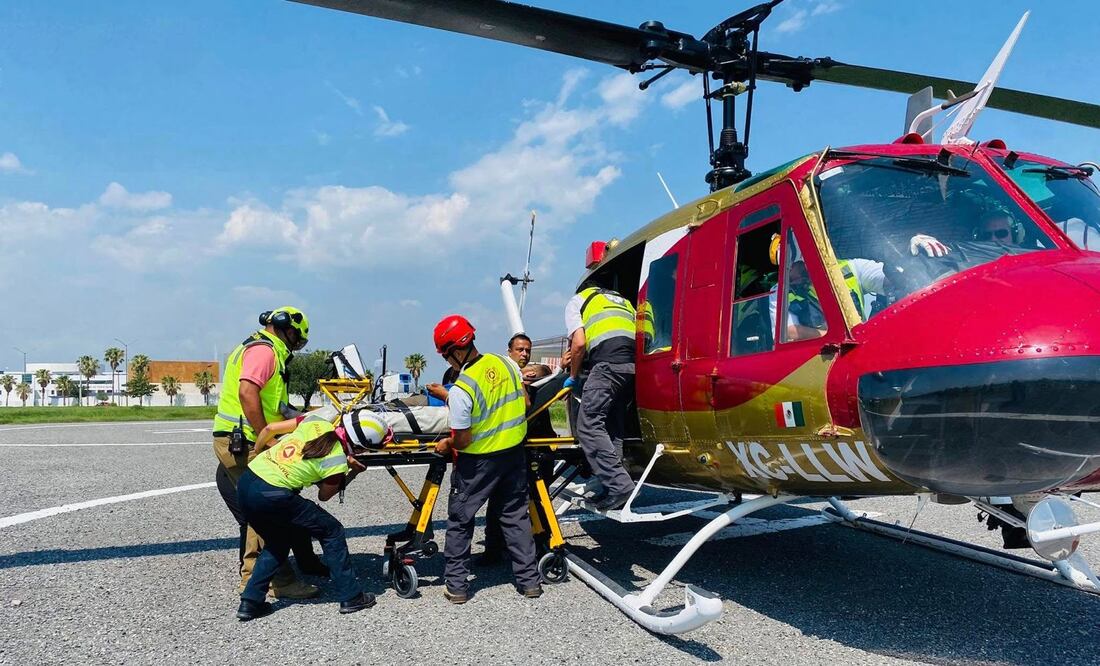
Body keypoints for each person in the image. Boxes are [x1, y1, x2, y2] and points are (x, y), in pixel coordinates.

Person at [212, 306, 321, 600]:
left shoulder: (264, 350)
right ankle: (276, 581)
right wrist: (265, 438)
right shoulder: (265, 352)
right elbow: (248, 393)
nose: (296, 346)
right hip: (244, 443)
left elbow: (277, 406)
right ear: (288, 329)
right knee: (268, 509)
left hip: (240, 439)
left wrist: (310, 417)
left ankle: (253, 578)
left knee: (258, 510)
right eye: (297, 339)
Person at [431, 314, 542, 603]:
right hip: (513, 456)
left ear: (455, 351)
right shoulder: (506, 363)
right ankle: (530, 582)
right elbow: (526, 402)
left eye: (446, 356)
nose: (448, 362)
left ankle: (456, 586)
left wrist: (446, 443)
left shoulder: (462, 388)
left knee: (460, 519)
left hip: (477, 463)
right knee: (516, 517)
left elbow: (463, 439)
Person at [235, 419, 376, 620]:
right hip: (273, 494)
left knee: (277, 543)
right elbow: (324, 495)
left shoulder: (316, 422)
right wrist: (353, 471)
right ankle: (351, 595)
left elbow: (268, 429)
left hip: (248, 481)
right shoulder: (336, 460)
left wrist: (259, 454)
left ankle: (250, 602)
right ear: (360, 447)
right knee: (331, 530)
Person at [564, 284, 637, 511]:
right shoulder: (625, 302)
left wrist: (573, 376)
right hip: (633, 367)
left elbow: (579, 343)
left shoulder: (579, 300)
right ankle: (611, 488)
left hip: (607, 365)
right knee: (612, 428)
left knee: (588, 426)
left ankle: (620, 485)